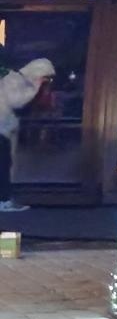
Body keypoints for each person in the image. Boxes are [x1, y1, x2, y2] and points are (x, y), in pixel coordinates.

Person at [0, 59, 55, 213]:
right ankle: (3, 200)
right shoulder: (15, 80)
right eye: (46, 78)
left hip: (4, 127)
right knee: (3, 165)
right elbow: (16, 101)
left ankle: (4, 199)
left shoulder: (13, 78)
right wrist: (35, 88)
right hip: (1, 129)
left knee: (5, 164)